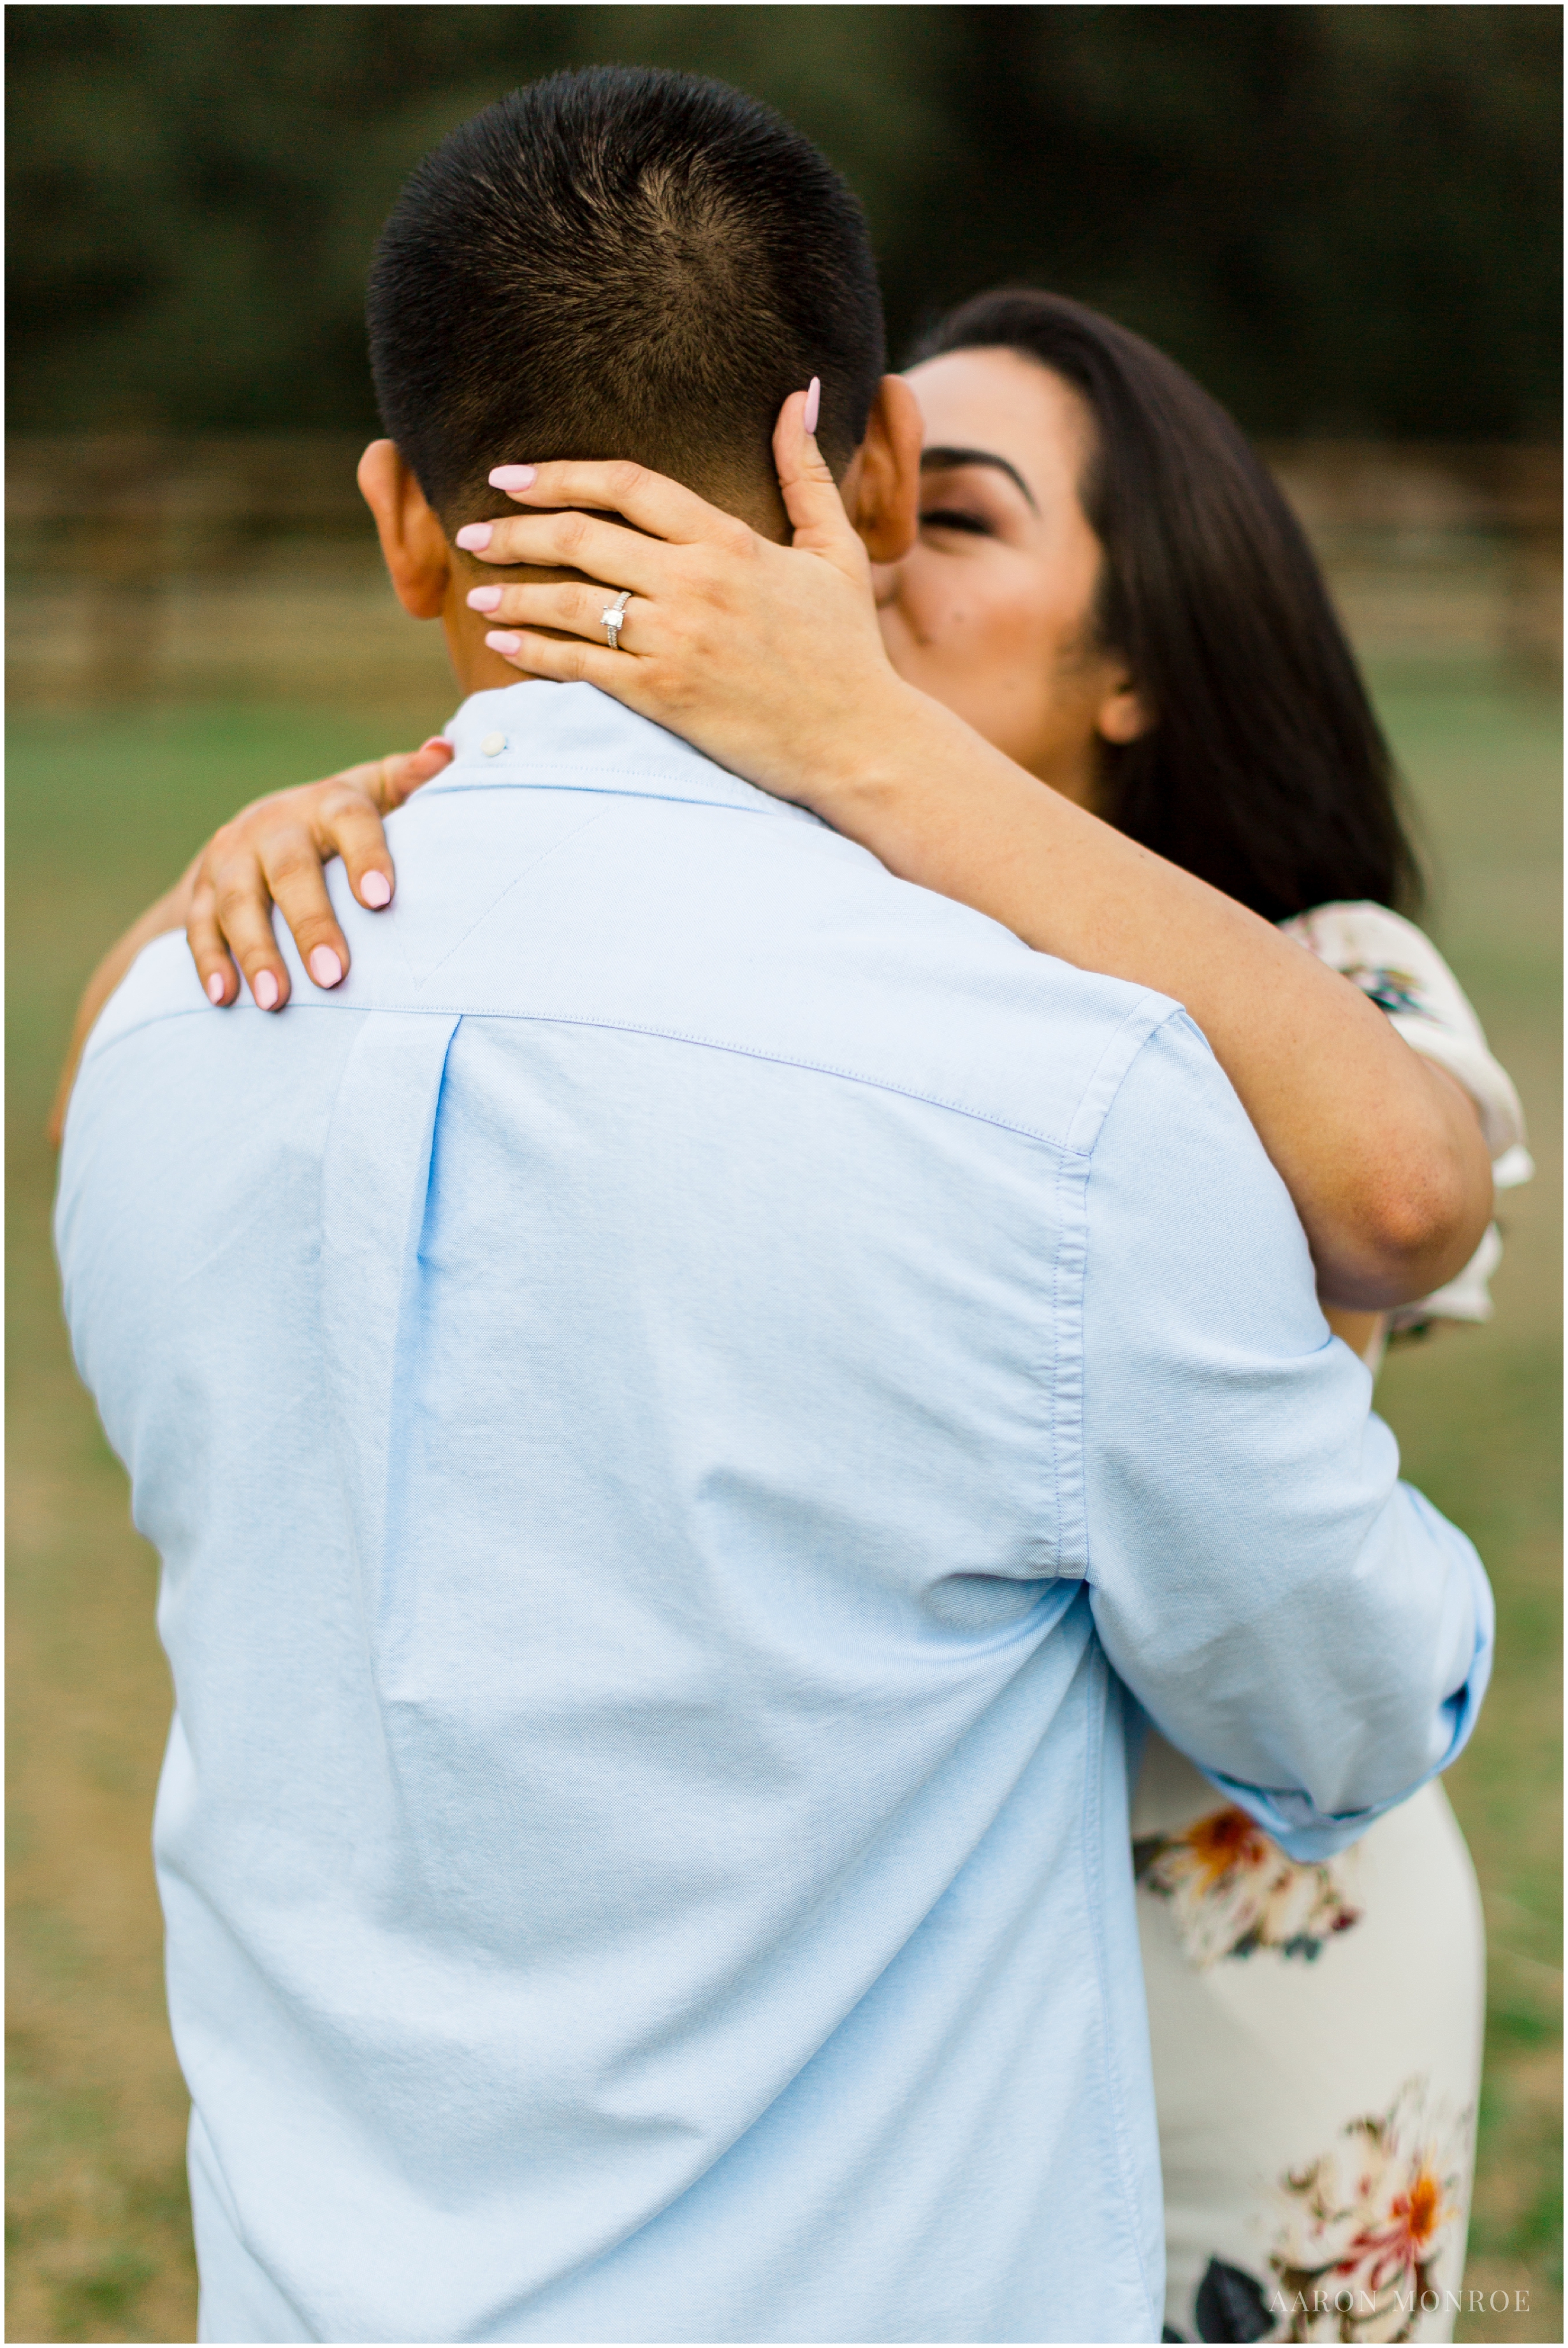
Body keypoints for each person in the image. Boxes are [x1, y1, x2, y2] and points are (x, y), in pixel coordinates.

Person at [55, 69, 1497, 2347]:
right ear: (873, 486)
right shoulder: (1067, 1104)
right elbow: (1348, 1704)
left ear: (395, 525)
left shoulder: (166, 1043)